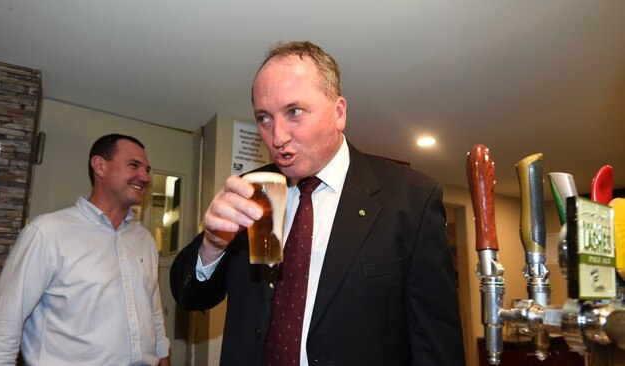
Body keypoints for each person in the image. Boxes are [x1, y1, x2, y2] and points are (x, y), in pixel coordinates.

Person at [171, 41, 464, 365]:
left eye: (293, 111)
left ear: (338, 113)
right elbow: (189, 296)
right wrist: (212, 245)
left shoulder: (411, 198)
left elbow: (437, 342)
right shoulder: (253, 191)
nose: (277, 136)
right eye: (264, 117)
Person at [0, 134, 170, 365]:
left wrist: (163, 357)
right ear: (100, 166)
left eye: (147, 169)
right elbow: (3, 326)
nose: (145, 177)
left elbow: (153, 313)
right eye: (134, 165)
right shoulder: (47, 232)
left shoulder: (144, 240)